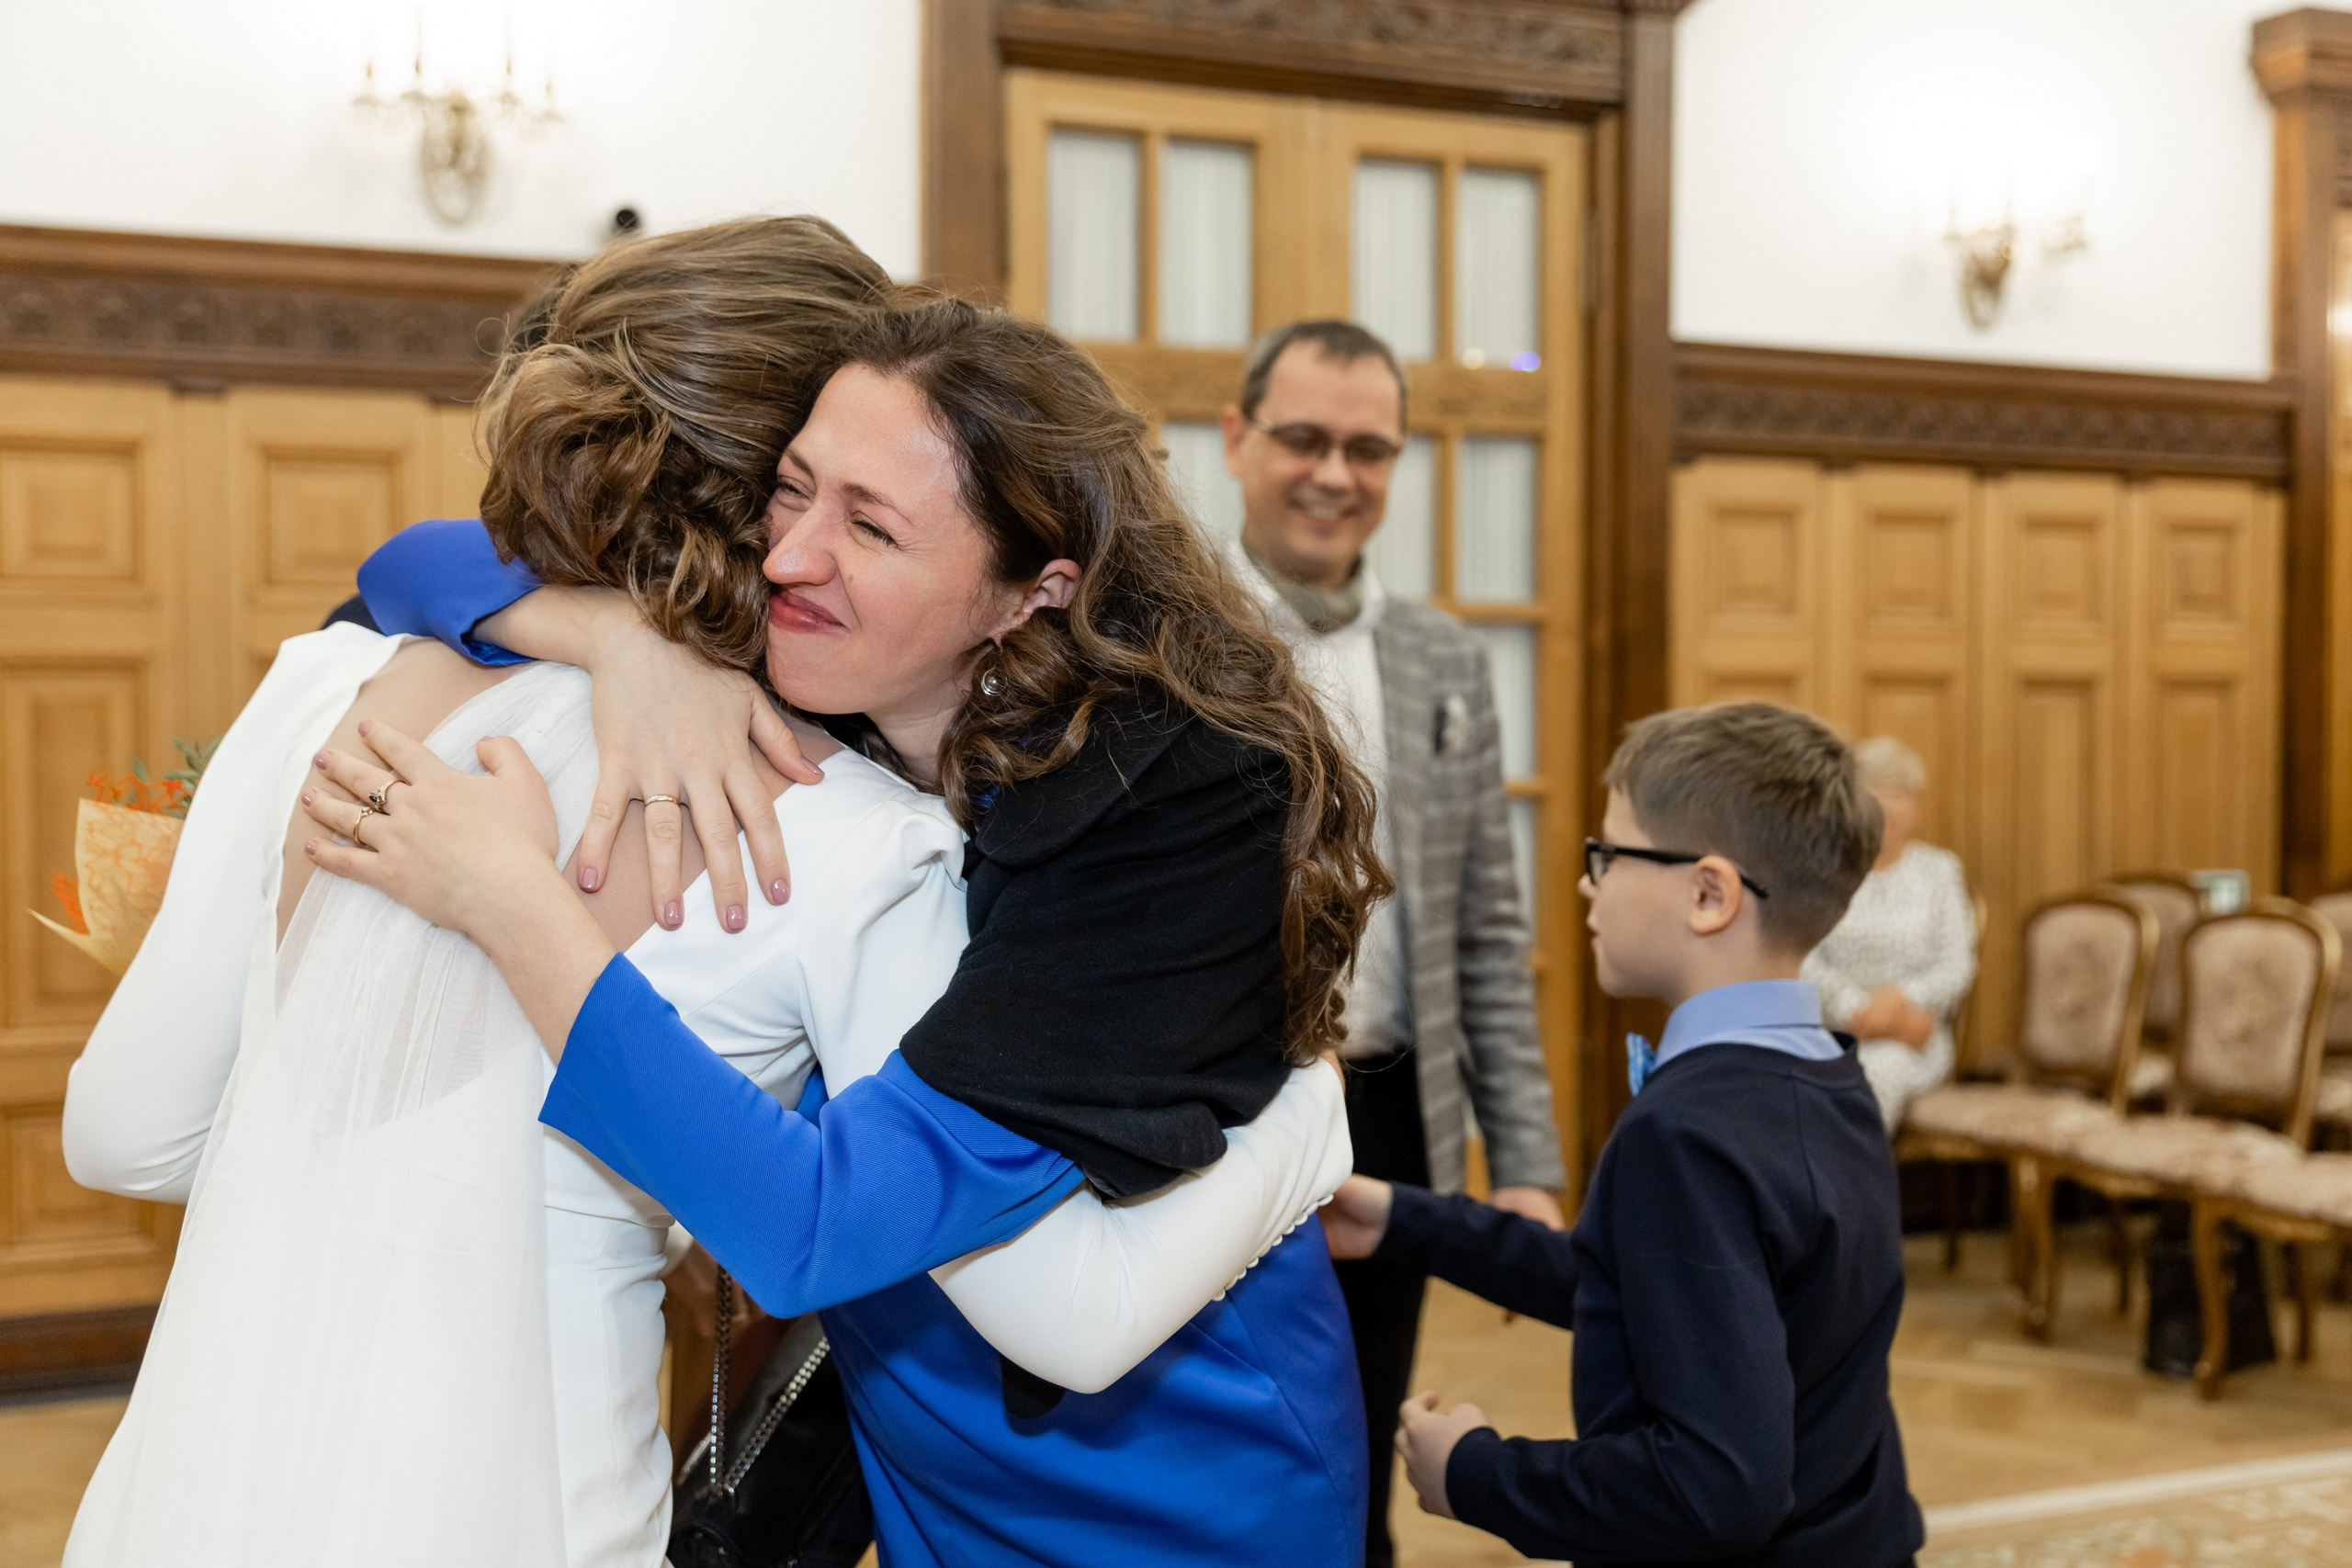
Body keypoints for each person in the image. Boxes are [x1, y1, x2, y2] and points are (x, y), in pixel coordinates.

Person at [61, 225, 1361, 1568]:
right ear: (751, 488)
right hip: (845, 1433)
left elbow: (1005, 1290)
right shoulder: (827, 779)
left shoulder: (1138, 798)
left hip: (1158, 1447)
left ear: (1033, 590)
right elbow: (412, 562)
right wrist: (607, 629)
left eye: (869, 519)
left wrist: (1305, 1128)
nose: (802, 551)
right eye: (796, 490)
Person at [1322, 702, 1926, 1566]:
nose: (1585, 882)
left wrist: (1476, 1474)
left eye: (1608, 854)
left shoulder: (1685, 1134)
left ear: (1709, 893)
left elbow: (1714, 1489)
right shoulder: (1830, 1076)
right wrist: (1398, 1219)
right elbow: (1654, 1289)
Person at [1218, 319, 1565, 1563]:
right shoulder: (1170, 634)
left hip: (1393, 1111)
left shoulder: (1446, 659)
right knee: (1225, 1434)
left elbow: (1487, 926)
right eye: (1305, 437)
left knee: (1358, 1430)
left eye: (1370, 448)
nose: (1335, 472)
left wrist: (1524, 1163)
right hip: (1218, 1106)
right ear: (1238, 438)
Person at [1802, 735, 1977, 1134]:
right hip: (1832, 1029)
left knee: (1873, 1076)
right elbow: (1805, 958)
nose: (1887, 805)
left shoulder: (1939, 870)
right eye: (1875, 792)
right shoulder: (1827, 871)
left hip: (1914, 1036)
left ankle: (1850, 1195)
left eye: (1900, 793)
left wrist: (1899, 1002)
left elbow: (1957, 965)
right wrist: (1855, 1010)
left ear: (1918, 805)